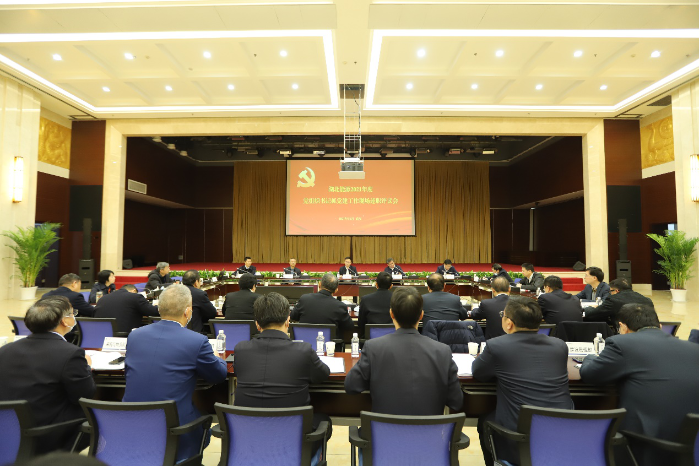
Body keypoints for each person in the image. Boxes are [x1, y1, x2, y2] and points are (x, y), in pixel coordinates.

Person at [580, 304, 699, 466]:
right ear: (660, 326)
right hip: (691, 445)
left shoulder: (621, 343)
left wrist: (590, 357)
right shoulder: (694, 349)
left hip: (645, 444)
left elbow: (590, 374)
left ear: (623, 327)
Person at [123, 285, 227, 463]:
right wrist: (218, 358)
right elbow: (218, 375)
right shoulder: (196, 341)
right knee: (203, 420)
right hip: (174, 426)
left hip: (130, 423)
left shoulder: (135, 336)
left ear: (159, 308)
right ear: (188, 311)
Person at [473, 296, 573, 466]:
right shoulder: (559, 346)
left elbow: (478, 373)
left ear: (509, 323)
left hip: (520, 439)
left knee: (485, 421)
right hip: (561, 434)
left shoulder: (496, 346)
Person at [233, 292, 332, 454]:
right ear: (288, 321)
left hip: (249, 439)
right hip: (293, 444)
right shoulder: (303, 350)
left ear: (257, 324)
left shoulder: (240, 349)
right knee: (324, 421)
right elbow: (323, 374)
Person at [345, 287, 462, 415]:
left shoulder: (373, 347)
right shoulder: (442, 351)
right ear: (421, 315)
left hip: (385, 428)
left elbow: (351, 386)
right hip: (429, 428)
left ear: (391, 314)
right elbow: (456, 401)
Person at [0, 296, 95, 454]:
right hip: (45, 435)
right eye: (73, 313)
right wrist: (87, 367)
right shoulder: (71, 354)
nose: (74, 317)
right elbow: (84, 395)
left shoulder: (5, 350)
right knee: (94, 413)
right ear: (64, 321)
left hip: (7, 431)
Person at [584, 278, 654, 329]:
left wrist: (590, 307)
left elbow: (592, 313)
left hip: (626, 333)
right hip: (649, 332)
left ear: (617, 291)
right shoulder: (647, 300)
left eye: (611, 291)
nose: (610, 293)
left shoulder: (613, 300)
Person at [94, 284, 159, 334]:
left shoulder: (102, 298)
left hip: (101, 334)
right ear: (134, 290)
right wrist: (158, 305)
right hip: (125, 335)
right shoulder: (135, 297)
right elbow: (153, 311)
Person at [357, 271, 393, 338]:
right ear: (391, 286)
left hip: (370, 339)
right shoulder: (397, 299)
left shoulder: (365, 299)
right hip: (392, 338)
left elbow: (361, 323)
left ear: (376, 285)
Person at [182, 269, 218, 334]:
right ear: (196, 282)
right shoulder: (199, 294)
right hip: (195, 333)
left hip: (177, 331)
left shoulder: (174, 292)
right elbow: (212, 313)